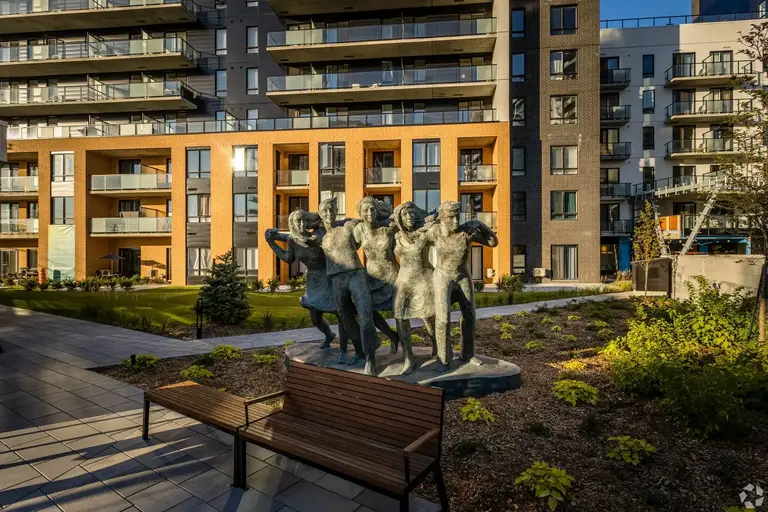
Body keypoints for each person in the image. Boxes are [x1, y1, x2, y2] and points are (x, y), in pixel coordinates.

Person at [422, 201, 498, 371]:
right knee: (443, 319)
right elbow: (417, 242)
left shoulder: (467, 231)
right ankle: (443, 359)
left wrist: (480, 224)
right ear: (443, 218)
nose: (456, 221)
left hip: (463, 276)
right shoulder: (435, 232)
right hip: (442, 276)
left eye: (457, 217)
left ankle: (468, 353)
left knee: (470, 315)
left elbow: (493, 242)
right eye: (451, 218)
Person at [264, 210, 348, 351]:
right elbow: (288, 258)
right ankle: (329, 335)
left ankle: (344, 349)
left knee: (341, 314)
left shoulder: (320, 235)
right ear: (293, 224)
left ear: (309, 221)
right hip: (313, 280)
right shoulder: (293, 240)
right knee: (315, 319)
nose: (301, 224)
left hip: (330, 277)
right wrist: (271, 242)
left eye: (304, 221)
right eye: (298, 222)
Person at [319, 197, 383, 375]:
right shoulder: (319, 234)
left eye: (331, 210)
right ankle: (360, 351)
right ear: (320, 214)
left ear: (336, 210)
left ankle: (370, 358)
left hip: (356, 275)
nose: (329, 214)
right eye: (324, 211)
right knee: (345, 319)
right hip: (336, 280)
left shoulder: (348, 225)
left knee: (365, 315)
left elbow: (371, 219)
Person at [392, 201, 436, 375]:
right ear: (400, 218)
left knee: (428, 316)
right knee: (399, 316)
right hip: (403, 280)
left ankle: (437, 346)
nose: (409, 216)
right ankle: (408, 358)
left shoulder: (425, 233)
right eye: (405, 214)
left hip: (424, 278)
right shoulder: (397, 236)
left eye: (412, 213)